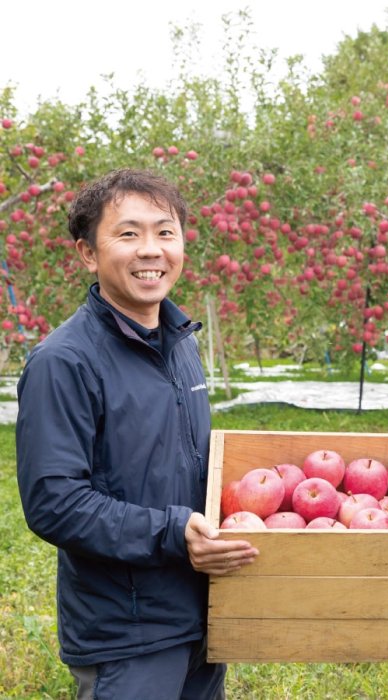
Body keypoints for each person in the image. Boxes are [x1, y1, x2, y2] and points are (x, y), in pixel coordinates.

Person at [16, 169, 259, 699]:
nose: (151, 250)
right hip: (127, 634)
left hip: (201, 613)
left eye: (164, 232)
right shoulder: (64, 362)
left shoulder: (181, 344)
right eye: (128, 234)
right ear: (88, 253)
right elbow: (53, 502)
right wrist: (175, 533)